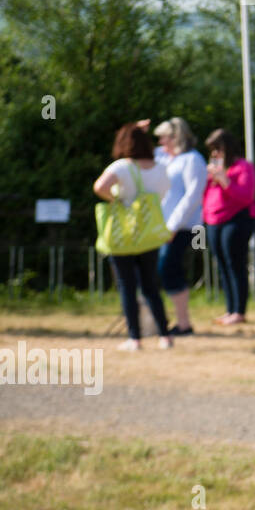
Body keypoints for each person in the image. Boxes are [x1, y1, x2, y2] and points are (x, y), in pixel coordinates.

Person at [93, 123, 173, 350]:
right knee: (151, 286)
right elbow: (164, 192)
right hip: (149, 234)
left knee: (127, 286)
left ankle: (134, 338)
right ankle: (164, 336)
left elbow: (100, 187)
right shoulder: (160, 168)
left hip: (124, 236)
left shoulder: (122, 167)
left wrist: (117, 200)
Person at [154, 118, 206, 335]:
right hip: (160, 226)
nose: (160, 142)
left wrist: (173, 225)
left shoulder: (192, 160)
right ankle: (159, 321)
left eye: (163, 137)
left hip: (183, 227)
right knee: (160, 270)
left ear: (175, 137)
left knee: (168, 268)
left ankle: (184, 323)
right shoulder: (165, 158)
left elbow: (192, 195)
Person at [203, 128, 255, 326]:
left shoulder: (244, 167)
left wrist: (224, 180)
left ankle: (239, 311)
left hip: (237, 219)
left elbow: (246, 196)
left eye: (217, 149)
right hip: (213, 220)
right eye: (212, 150)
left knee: (235, 263)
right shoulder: (215, 169)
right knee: (223, 265)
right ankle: (229, 309)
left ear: (227, 148)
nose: (214, 154)